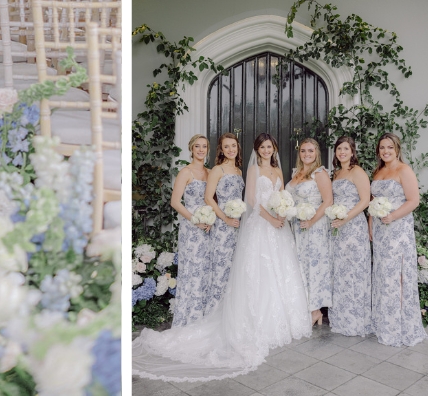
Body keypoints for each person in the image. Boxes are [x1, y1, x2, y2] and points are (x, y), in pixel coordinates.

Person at [133, 133, 312, 381]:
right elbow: (248, 201)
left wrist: (282, 212)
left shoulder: (259, 171)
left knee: (271, 272)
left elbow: (279, 197)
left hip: (273, 229)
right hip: (250, 225)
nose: (266, 150)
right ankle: (206, 317)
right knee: (244, 271)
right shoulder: (240, 171)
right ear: (255, 150)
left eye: (269, 146)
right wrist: (232, 218)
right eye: (262, 147)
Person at [370, 132, 425, 347]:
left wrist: (392, 216)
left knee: (397, 275)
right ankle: (384, 323)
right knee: (383, 274)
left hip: (398, 229)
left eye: (389, 148)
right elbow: (373, 201)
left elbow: (414, 201)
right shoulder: (378, 171)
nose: (385, 151)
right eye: (382, 148)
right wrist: (370, 224)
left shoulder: (404, 170)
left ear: (397, 149)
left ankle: (399, 326)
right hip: (380, 229)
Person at [329, 135, 372, 337]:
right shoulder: (336, 174)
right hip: (338, 228)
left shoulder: (358, 172)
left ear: (352, 151)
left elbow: (364, 201)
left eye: (346, 149)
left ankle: (356, 319)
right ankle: (341, 318)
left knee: (354, 270)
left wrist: (345, 218)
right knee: (341, 271)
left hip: (353, 226)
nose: (342, 152)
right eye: (339, 149)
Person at [288, 136, 332, 326]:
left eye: (310, 151)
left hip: (314, 227)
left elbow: (328, 201)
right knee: (299, 266)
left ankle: (316, 310)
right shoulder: (295, 173)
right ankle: (304, 307)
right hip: (297, 227)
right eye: (303, 151)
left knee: (312, 267)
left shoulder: (320, 173)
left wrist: (312, 221)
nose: (307, 154)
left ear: (317, 153)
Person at [170, 134, 213, 326]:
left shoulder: (211, 172)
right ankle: (190, 318)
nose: (201, 150)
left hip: (208, 229)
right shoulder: (185, 172)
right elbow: (175, 202)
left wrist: (211, 219)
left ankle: (204, 316)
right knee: (192, 270)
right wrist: (194, 220)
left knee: (205, 270)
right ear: (191, 149)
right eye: (197, 146)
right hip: (191, 228)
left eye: (204, 146)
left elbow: (212, 200)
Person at [203, 132, 243, 314]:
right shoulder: (217, 170)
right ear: (221, 149)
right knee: (221, 268)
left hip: (238, 226)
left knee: (234, 269)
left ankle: (230, 314)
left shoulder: (239, 171)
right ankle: (215, 313)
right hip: (222, 226)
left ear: (237, 147)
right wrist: (225, 218)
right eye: (226, 146)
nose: (230, 149)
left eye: (233, 145)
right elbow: (208, 198)